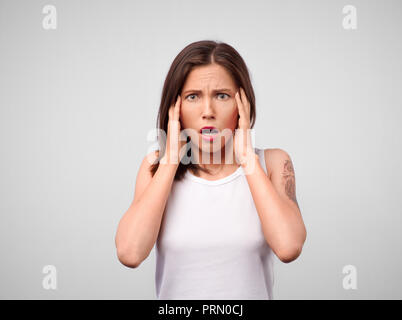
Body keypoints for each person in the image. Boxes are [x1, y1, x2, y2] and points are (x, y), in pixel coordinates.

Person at [115, 40, 307, 300]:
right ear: (176, 107)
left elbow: (289, 247)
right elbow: (130, 253)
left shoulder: (272, 163)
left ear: (242, 104)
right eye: (193, 97)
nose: (208, 112)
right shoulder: (155, 168)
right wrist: (171, 159)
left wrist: (247, 158)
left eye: (222, 96)